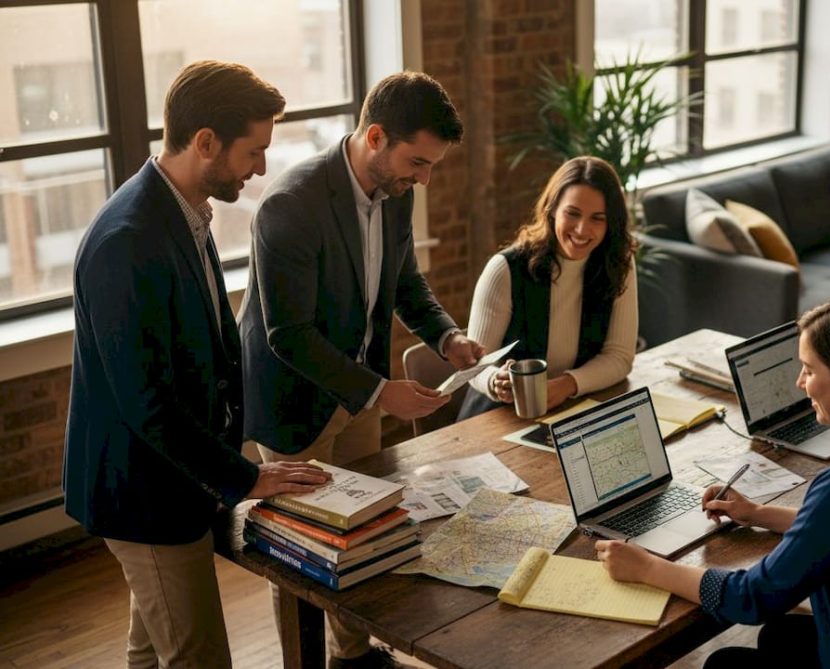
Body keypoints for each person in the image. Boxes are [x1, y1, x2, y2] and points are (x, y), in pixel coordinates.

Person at [63, 60, 332, 668]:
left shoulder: (187, 211)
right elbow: (146, 404)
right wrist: (245, 477)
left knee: (152, 649)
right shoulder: (126, 240)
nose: (262, 167)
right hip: (144, 492)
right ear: (205, 141)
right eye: (253, 150)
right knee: (200, 657)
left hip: (175, 480)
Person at [237, 71, 482, 668]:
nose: (423, 178)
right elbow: (288, 335)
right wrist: (380, 392)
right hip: (296, 405)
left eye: (429, 167)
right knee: (301, 551)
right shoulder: (290, 206)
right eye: (417, 162)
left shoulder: (397, 191)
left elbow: (402, 281)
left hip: (360, 398)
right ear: (375, 136)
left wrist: (446, 335)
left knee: (363, 532)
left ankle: (354, 658)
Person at [597, 296, 830, 669]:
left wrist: (647, 567)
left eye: (810, 370)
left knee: (725, 663)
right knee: (780, 636)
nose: (800, 383)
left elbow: (752, 597)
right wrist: (759, 513)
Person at [457, 156, 637, 419]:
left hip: (571, 412)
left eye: (597, 218)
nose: (581, 229)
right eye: (572, 213)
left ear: (611, 223)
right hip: (500, 417)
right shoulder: (505, 269)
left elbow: (619, 357)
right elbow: (473, 368)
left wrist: (567, 384)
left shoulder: (618, 263)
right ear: (551, 210)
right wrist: (496, 380)